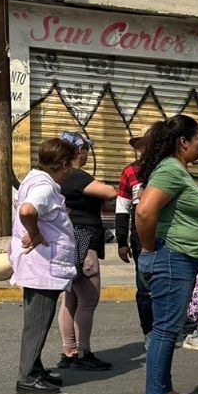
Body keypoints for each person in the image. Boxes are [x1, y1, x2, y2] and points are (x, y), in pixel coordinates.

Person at [135, 115, 198, 394]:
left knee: (170, 326)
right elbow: (144, 212)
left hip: (180, 257)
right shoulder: (169, 169)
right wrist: (150, 247)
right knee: (166, 328)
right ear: (183, 142)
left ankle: (164, 389)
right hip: (172, 257)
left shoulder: (176, 170)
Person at [9, 138, 79, 394]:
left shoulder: (34, 178)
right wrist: (35, 232)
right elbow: (28, 210)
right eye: (70, 163)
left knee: (38, 321)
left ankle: (35, 368)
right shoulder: (45, 187)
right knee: (37, 323)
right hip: (42, 266)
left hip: (39, 265)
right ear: (61, 163)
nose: (71, 168)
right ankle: (27, 377)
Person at [55, 132, 116, 371]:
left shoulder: (59, 177)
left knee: (69, 299)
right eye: (86, 149)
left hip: (69, 240)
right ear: (78, 151)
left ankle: (68, 351)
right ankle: (83, 352)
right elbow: (110, 193)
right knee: (88, 300)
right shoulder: (78, 176)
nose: (88, 154)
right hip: (84, 241)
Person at [116, 135, 157, 345]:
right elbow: (122, 208)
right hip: (140, 238)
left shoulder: (166, 169)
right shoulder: (130, 172)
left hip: (167, 235)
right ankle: (149, 330)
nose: (144, 149)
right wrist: (122, 242)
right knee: (144, 287)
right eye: (141, 146)